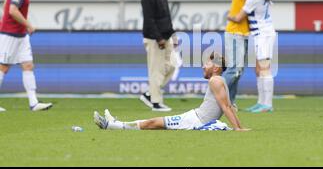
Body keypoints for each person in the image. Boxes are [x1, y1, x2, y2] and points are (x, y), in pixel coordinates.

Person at [94, 53, 250, 131]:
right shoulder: (220, 81)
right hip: (194, 117)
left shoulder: (215, 80)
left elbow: (225, 107)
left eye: (207, 63)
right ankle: (114, 124)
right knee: (153, 123)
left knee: (152, 123)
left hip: (194, 121)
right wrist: (239, 128)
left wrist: (238, 129)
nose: (203, 66)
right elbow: (229, 107)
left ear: (216, 68)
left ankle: (113, 125)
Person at [0, 0, 52, 112]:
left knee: (28, 65)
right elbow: (12, 10)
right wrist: (28, 24)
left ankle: (33, 103)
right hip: (10, 34)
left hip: (20, 35)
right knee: (3, 67)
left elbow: (5, 5)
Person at [223, 0, 276, 110]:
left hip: (262, 33)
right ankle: (261, 102)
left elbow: (239, 17)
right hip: (259, 34)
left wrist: (230, 17)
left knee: (263, 68)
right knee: (258, 69)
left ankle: (267, 104)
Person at [139, 0, 178, 112]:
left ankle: (150, 94)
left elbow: (166, 16)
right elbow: (149, 20)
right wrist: (159, 38)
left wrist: (172, 34)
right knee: (156, 70)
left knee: (172, 65)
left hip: (166, 36)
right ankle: (156, 102)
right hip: (155, 39)